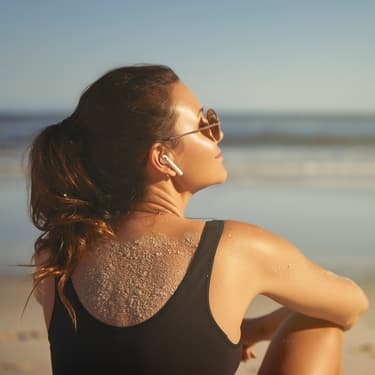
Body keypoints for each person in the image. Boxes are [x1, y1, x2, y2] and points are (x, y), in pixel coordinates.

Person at [28, 65, 368, 375]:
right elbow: (352, 304)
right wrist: (258, 328)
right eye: (202, 124)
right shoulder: (232, 248)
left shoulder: (57, 256)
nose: (215, 133)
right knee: (319, 320)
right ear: (162, 158)